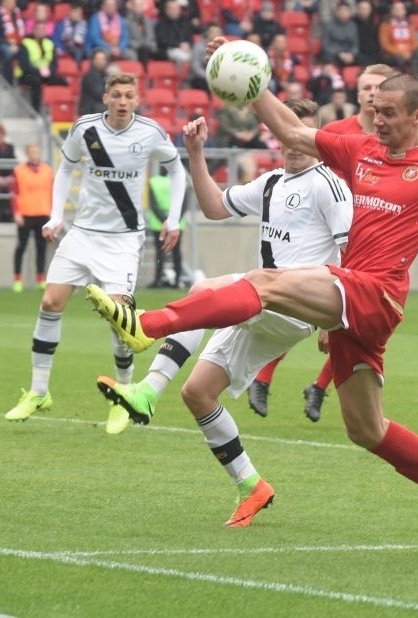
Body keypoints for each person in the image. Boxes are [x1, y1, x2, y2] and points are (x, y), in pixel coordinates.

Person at [87, 47, 418, 560]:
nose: (377, 120)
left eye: (388, 113)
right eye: (374, 111)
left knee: (266, 281)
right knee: (366, 429)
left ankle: (146, 325)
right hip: (351, 300)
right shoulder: (359, 149)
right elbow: (292, 131)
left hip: (376, 292)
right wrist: (253, 83)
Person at [94, 100, 351, 531]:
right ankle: (251, 485)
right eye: (288, 132)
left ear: (317, 138)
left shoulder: (329, 185)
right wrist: (195, 154)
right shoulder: (271, 183)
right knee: (198, 393)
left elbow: (351, 252)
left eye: (304, 133)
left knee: (202, 290)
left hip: (296, 306)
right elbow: (215, 207)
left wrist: (336, 321)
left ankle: (147, 381)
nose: (295, 142)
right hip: (262, 305)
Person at [4, 73, 186, 428]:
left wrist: (174, 219)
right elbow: (66, 167)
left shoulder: (149, 132)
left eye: (128, 95)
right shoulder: (85, 129)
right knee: (50, 303)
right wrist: (57, 215)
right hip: (83, 234)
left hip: (122, 240)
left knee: (121, 321)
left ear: (136, 99)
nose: (122, 101)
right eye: (116, 94)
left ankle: (123, 396)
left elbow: (176, 170)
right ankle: (39, 391)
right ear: (105, 97)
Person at [247, 63, 399, 422]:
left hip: (375, 240)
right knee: (294, 304)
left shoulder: (391, 135)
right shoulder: (337, 132)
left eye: (379, 88)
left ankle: (318, 386)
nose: (371, 94)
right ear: (358, 93)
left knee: (365, 326)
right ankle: (264, 378)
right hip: (333, 230)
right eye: (366, 88)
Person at [10, 143, 53, 292]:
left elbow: (52, 192)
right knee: (21, 246)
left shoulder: (47, 170)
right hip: (25, 213)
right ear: (27, 153)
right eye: (32, 151)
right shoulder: (19, 170)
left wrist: (52, 212)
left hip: (42, 212)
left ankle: (40, 278)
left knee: (41, 247)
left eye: (36, 151)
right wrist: (16, 212)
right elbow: (14, 193)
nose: (34, 154)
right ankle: (17, 279)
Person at [146, 170, 187, 289]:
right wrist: (173, 220)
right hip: (176, 223)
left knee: (160, 252)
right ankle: (177, 279)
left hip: (158, 223)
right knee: (176, 252)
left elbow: (152, 203)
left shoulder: (154, 182)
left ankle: (158, 279)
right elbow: (184, 203)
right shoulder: (181, 181)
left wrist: (163, 219)